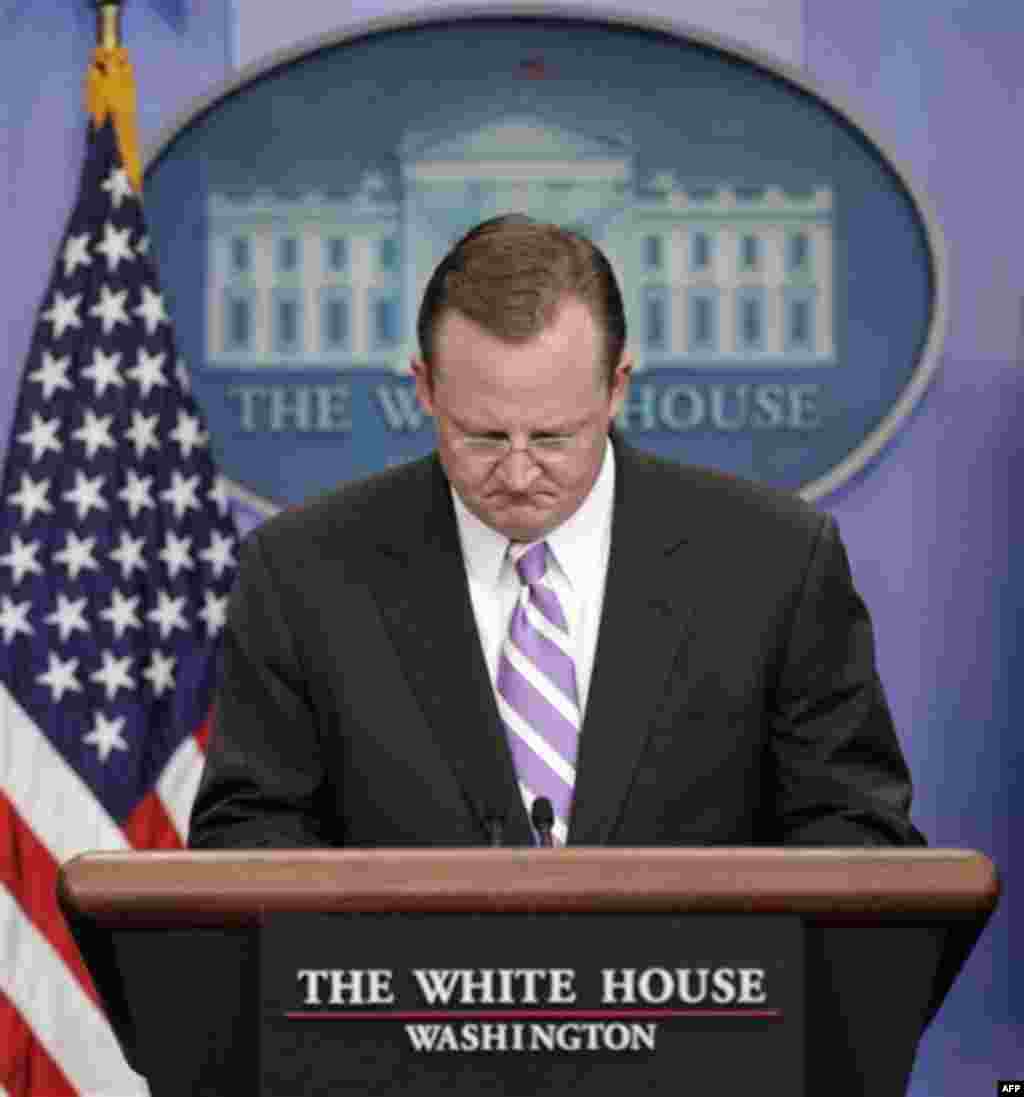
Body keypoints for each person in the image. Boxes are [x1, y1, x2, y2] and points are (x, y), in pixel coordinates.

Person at [188, 215, 925, 850]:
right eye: (481, 435)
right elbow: (247, 841)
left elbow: (856, 838)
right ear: (423, 388)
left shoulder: (773, 566)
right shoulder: (302, 575)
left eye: (551, 436)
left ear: (617, 387)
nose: (515, 473)